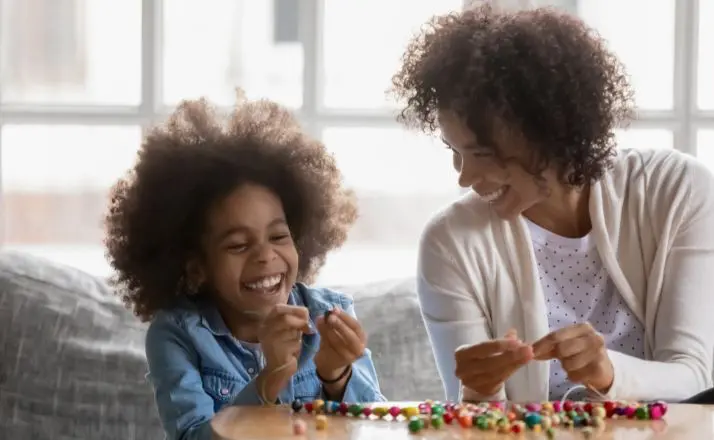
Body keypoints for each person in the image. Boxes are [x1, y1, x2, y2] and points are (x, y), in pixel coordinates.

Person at [390, 4, 714, 404]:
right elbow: (473, 417)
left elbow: (695, 379)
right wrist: (478, 388)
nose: (465, 178)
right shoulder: (451, 242)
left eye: (484, 154)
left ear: (548, 135)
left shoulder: (675, 190)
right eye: (454, 151)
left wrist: (608, 374)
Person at [104, 94, 385, 440]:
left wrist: (337, 376)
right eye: (238, 244)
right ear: (196, 265)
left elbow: (377, 430)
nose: (265, 256)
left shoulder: (331, 315)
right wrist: (270, 380)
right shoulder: (178, 335)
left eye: (279, 236)